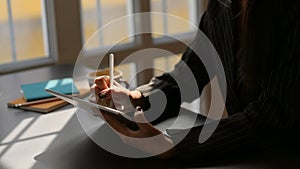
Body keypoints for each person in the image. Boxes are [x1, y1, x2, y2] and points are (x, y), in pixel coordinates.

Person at [91, 0, 300, 161]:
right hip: (249, 154)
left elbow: (274, 115)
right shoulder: (221, 7)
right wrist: (137, 97)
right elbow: (188, 73)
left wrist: (172, 144)